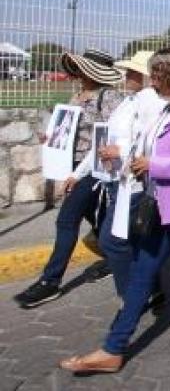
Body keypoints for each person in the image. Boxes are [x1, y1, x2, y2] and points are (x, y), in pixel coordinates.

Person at [59, 48, 170, 374]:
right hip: (162, 205)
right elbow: (148, 146)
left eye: (156, 74)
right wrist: (129, 157)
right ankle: (113, 349)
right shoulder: (168, 108)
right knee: (142, 273)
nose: (151, 81)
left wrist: (155, 164)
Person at [14, 49, 124, 309]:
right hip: (70, 166)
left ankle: (50, 281)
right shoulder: (77, 95)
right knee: (95, 218)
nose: (77, 71)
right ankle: (114, 258)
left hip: (91, 170)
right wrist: (52, 138)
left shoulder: (109, 97)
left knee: (67, 220)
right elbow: (67, 128)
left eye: (81, 67)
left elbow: (115, 134)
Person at [92, 51, 167, 300]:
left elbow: (152, 138)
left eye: (133, 72)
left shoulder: (152, 101)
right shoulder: (132, 100)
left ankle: (131, 297)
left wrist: (120, 150)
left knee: (113, 241)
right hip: (119, 179)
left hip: (134, 182)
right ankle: (151, 289)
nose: (127, 75)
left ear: (147, 77)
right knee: (137, 240)